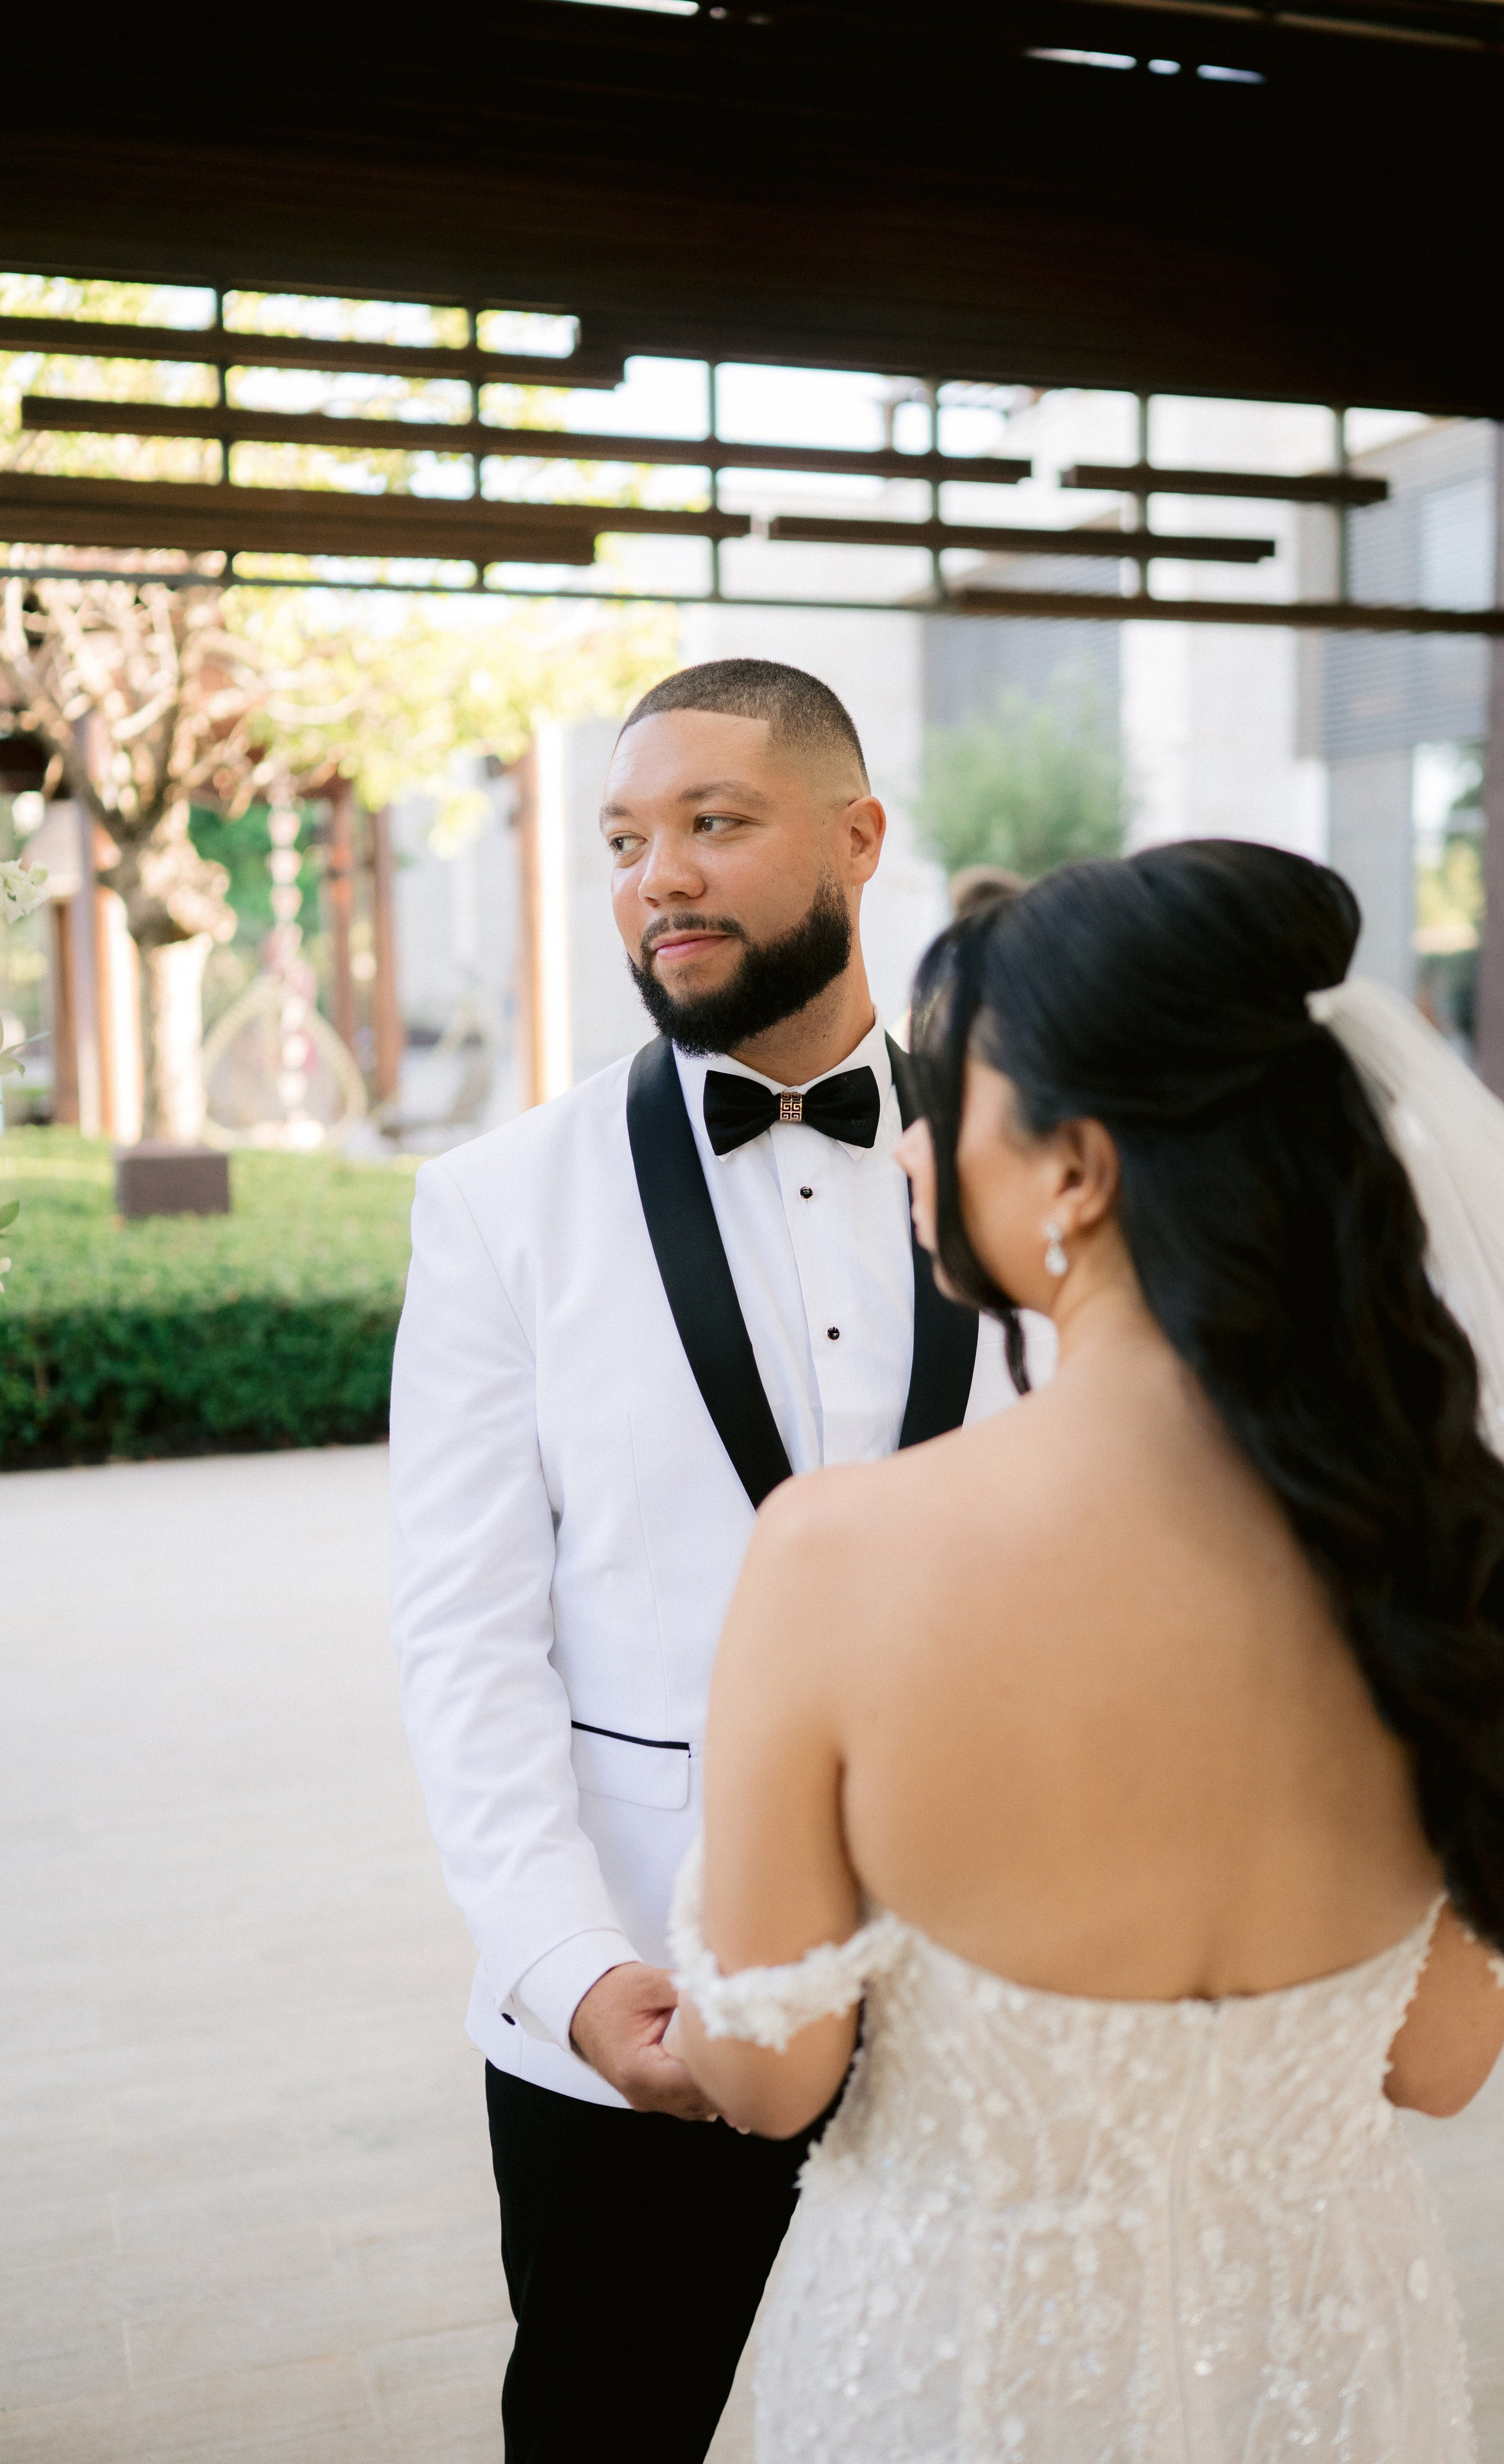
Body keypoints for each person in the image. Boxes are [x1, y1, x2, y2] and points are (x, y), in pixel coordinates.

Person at [669, 840, 1504, 2462]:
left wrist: (688, 1992)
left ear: (1076, 1171)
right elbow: (1435, 2065)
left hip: (959, 2379)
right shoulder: (1461, 1562)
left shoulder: (836, 1556)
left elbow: (769, 2079)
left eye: (947, 1094)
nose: (909, 1146)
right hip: (1325, 2372)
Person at [388, 659, 1033, 2463]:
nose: (655, 876)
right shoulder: (499, 1203)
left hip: (987, 1986)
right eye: (621, 841)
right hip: (641, 2009)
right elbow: (464, 1638)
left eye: (713, 824)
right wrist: (572, 1971)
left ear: (858, 838)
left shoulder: (1027, 1161)